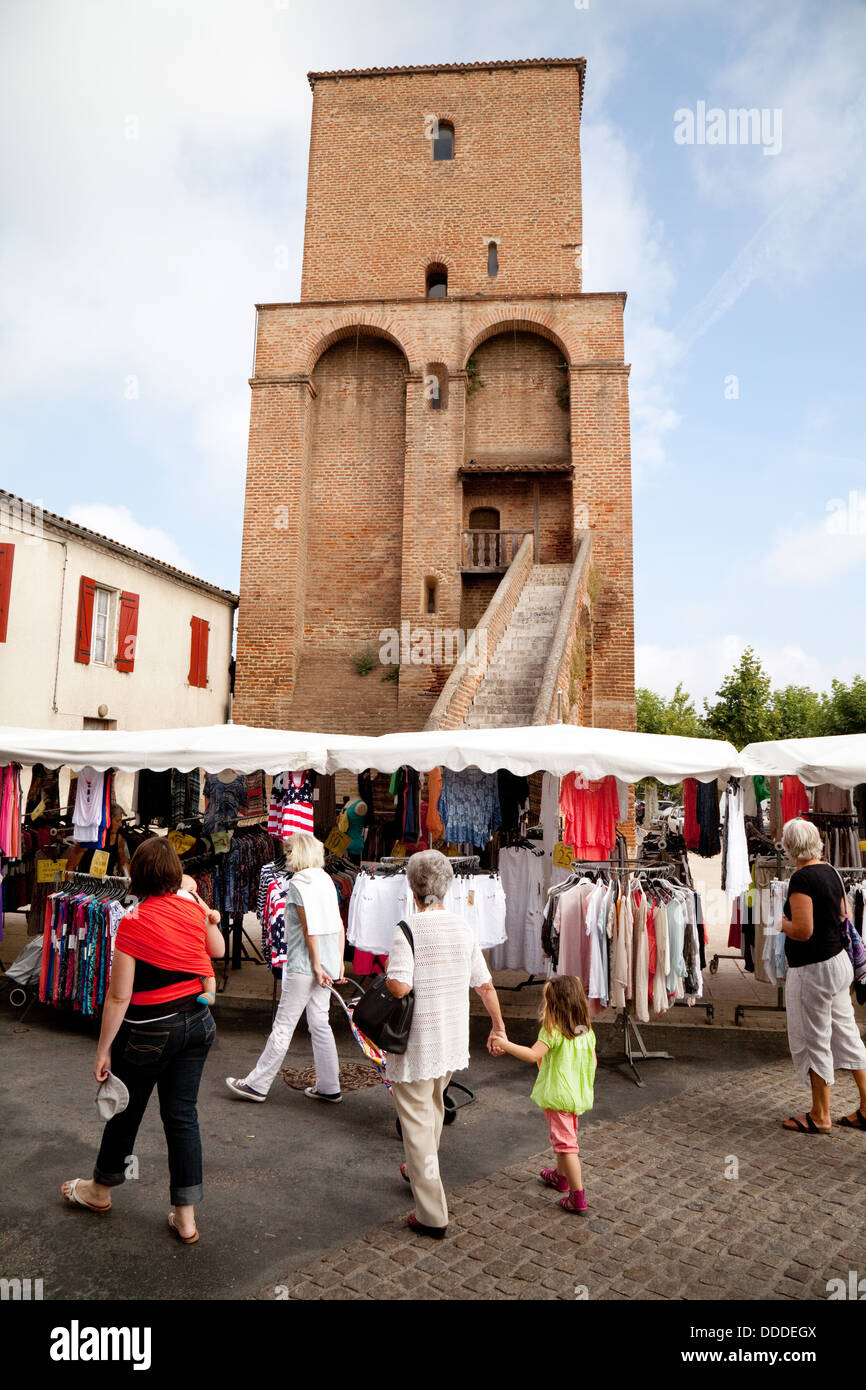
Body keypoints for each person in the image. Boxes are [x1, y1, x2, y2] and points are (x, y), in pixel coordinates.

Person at [60, 838, 223, 1243]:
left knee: (125, 1111)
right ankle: (185, 1218)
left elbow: (119, 996)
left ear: (137, 876)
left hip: (150, 1030)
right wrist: (204, 911)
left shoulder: (132, 924)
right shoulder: (189, 907)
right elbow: (216, 949)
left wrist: (102, 1050)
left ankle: (100, 1190)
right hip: (198, 1022)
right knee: (182, 1117)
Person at [385, 849, 506, 1239]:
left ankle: (432, 1214)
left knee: (417, 1121)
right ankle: (418, 1167)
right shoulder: (463, 928)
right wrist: (498, 1026)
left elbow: (400, 986)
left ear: (412, 886)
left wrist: (390, 980)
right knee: (432, 1107)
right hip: (452, 1038)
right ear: (448, 886)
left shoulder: (408, 930)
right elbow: (484, 984)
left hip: (417, 1041)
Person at [225, 831, 345, 1104]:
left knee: (284, 1025)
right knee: (320, 1023)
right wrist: (335, 964)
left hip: (305, 965)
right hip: (325, 964)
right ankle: (329, 1085)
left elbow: (308, 928)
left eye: (288, 852)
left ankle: (257, 1084)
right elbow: (338, 925)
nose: (286, 857)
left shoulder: (298, 884)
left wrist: (315, 964)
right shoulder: (326, 880)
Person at [778, 817, 866, 1135]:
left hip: (814, 968)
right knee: (846, 1033)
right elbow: (845, 915)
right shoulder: (831, 872)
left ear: (790, 846)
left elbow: (803, 930)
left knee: (815, 1037)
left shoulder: (801, 879)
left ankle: (820, 1114)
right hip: (838, 962)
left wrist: (781, 924)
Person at [491, 975, 596, 1214]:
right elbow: (592, 1061)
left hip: (558, 1096)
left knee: (567, 1145)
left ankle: (577, 1196)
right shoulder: (585, 1031)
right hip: (576, 1094)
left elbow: (531, 1054)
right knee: (562, 1139)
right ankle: (561, 1177)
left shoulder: (553, 1032)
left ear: (555, 1005)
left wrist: (504, 1044)